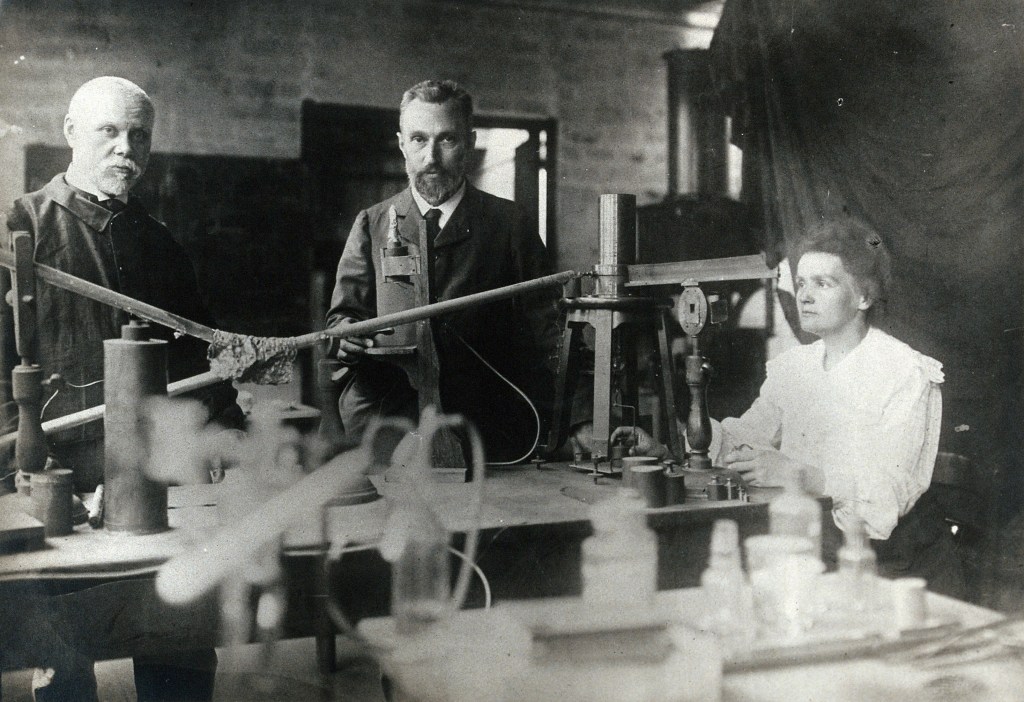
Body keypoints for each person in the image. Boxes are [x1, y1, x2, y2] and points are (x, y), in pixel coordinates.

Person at [0, 77, 241, 702]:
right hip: (58, 470)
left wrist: (228, 431)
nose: (125, 149)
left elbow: (196, 357)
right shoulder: (20, 229)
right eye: (109, 132)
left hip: (156, 476)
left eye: (139, 136)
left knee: (180, 632)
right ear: (72, 134)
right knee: (62, 650)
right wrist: (22, 471)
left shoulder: (160, 243)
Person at [615, 217, 962, 595]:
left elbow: (887, 495)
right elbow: (742, 440)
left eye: (823, 283)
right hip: (814, 550)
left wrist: (795, 473)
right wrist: (670, 445)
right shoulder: (797, 368)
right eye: (800, 283)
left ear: (864, 296)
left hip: (895, 570)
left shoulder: (904, 372)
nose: (805, 296)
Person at [325, 79, 562, 462]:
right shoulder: (371, 225)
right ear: (402, 144)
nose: (431, 157)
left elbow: (550, 335)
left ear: (468, 142)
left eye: (446, 139)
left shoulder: (509, 225)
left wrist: (579, 418)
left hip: (488, 434)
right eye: (419, 139)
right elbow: (343, 318)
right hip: (389, 430)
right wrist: (345, 336)